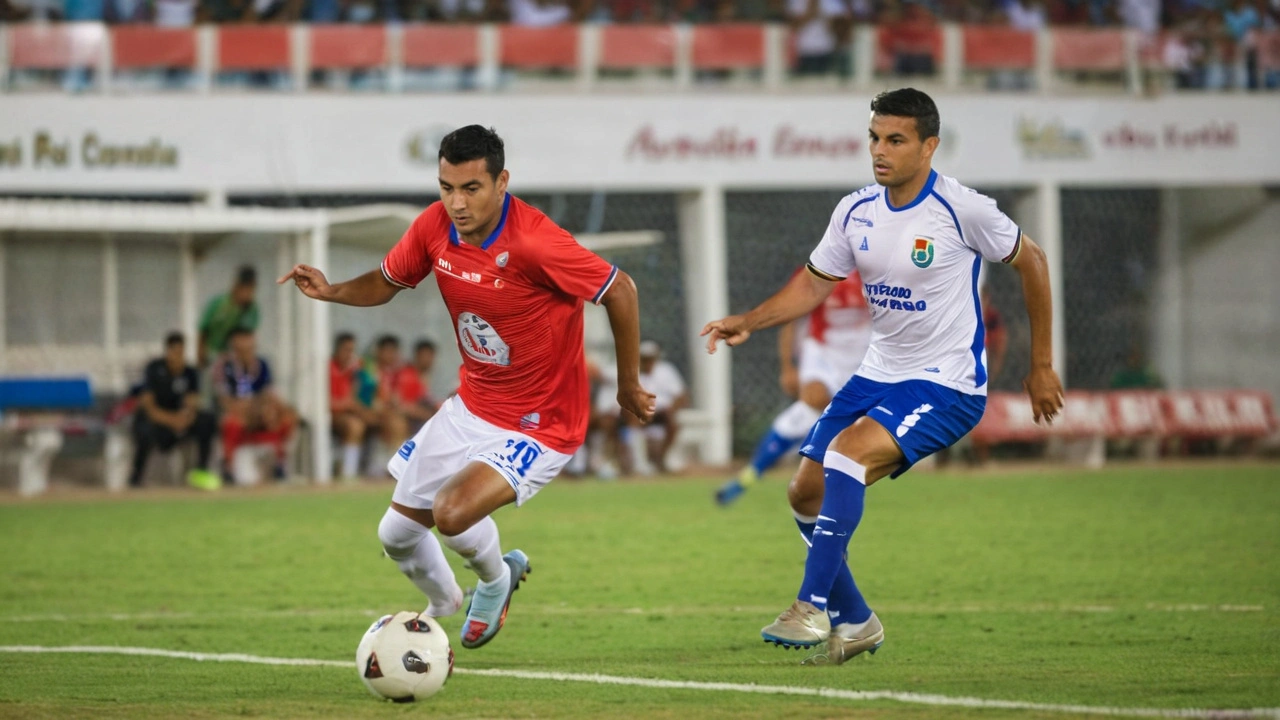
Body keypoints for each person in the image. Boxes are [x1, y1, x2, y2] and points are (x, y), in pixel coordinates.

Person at [702, 88, 1063, 665]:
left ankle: (810, 607)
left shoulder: (963, 208)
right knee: (803, 493)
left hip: (946, 384)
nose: (880, 150)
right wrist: (750, 320)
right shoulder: (854, 210)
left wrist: (1042, 365)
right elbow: (815, 284)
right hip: (877, 375)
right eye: (874, 137)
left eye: (895, 139)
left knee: (846, 455)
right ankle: (860, 621)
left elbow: (1034, 262)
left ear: (929, 146)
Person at [279, 125, 654, 650]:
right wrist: (331, 291)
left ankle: (496, 580)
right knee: (397, 535)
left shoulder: (534, 240)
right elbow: (387, 283)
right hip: (472, 405)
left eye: (470, 189)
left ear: (502, 182)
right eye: (446, 187)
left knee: (453, 514)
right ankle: (443, 605)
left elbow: (620, 290)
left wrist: (628, 385)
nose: (456, 202)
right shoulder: (434, 227)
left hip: (541, 422)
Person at [717, 269, 871, 505]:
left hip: (864, 356)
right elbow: (789, 316)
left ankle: (820, 472)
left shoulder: (876, 270)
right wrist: (787, 366)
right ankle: (751, 474)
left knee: (841, 419)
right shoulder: (820, 270)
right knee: (814, 401)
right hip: (824, 353)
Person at [129, 331, 220, 491]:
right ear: (168, 352)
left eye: (181, 352)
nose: (178, 357)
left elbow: (192, 402)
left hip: (181, 422)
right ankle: (136, 477)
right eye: (174, 352)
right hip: (159, 422)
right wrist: (172, 420)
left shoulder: (190, 373)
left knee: (207, 420)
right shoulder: (154, 369)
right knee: (144, 428)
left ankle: (201, 472)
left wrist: (186, 418)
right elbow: (149, 407)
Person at [217, 327, 296, 483]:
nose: (246, 351)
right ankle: (228, 468)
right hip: (239, 413)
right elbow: (224, 400)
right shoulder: (225, 367)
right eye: (241, 348)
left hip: (260, 412)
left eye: (249, 347)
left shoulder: (262, 365)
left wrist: (276, 409)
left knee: (286, 417)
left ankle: (280, 463)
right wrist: (249, 410)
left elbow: (270, 393)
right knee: (231, 423)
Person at [619, 340, 688, 475]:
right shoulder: (632, 372)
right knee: (633, 419)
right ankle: (640, 463)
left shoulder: (667, 371)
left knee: (672, 422)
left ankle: (664, 459)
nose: (648, 362)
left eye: (651, 358)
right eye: (645, 358)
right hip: (639, 411)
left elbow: (680, 395)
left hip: (663, 411)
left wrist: (672, 409)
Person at [331, 332, 379, 481]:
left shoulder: (354, 371)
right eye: (346, 350)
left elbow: (359, 397)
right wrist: (356, 408)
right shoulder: (328, 368)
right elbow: (330, 402)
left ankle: (379, 468)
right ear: (337, 350)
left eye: (352, 350)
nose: (350, 354)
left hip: (349, 411)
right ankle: (348, 473)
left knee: (385, 421)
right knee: (355, 425)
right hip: (333, 414)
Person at [198, 265, 260, 370]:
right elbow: (203, 331)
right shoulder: (218, 304)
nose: (248, 293)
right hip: (212, 356)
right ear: (237, 286)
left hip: (235, 362)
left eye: (251, 289)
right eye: (245, 288)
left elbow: (249, 337)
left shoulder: (252, 310)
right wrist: (201, 357)